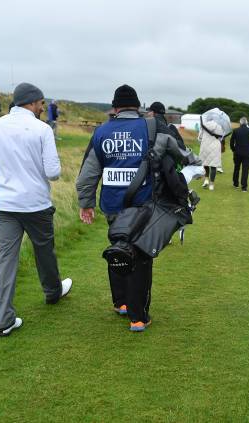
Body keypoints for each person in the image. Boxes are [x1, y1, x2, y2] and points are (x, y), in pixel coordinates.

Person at [76, 84, 179, 332]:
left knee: (118, 248)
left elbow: (88, 174)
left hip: (113, 205)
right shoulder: (151, 127)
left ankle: (121, 303)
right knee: (141, 257)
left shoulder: (101, 132)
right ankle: (138, 316)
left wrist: (86, 203)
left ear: (115, 107)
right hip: (145, 205)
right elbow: (173, 157)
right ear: (137, 105)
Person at [0, 82, 72, 337]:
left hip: (3, 204)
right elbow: (53, 173)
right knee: (44, 251)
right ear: (32, 102)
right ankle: (53, 293)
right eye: (41, 103)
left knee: (6, 259)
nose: (43, 107)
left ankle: (3, 320)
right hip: (35, 204)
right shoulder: (42, 129)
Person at [198, 114, 227, 191]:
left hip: (205, 145)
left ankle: (206, 179)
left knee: (205, 163)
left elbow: (200, 137)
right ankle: (211, 185)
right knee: (213, 166)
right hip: (215, 146)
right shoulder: (219, 126)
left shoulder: (203, 125)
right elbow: (221, 137)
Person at [229, 117, 249, 192]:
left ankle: (235, 183)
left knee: (236, 168)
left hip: (237, 152)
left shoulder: (236, 130)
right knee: (245, 170)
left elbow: (231, 142)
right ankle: (244, 187)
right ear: (246, 123)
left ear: (240, 123)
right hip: (247, 153)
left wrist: (233, 149)